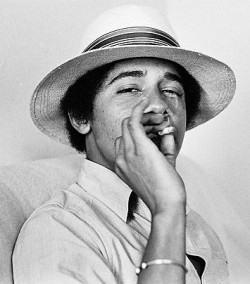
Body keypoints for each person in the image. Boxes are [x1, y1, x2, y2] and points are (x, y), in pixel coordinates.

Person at [12, 5, 235, 284]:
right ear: (81, 117)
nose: (158, 105)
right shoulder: (60, 229)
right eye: (130, 89)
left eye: (171, 91)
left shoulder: (198, 226)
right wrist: (167, 209)